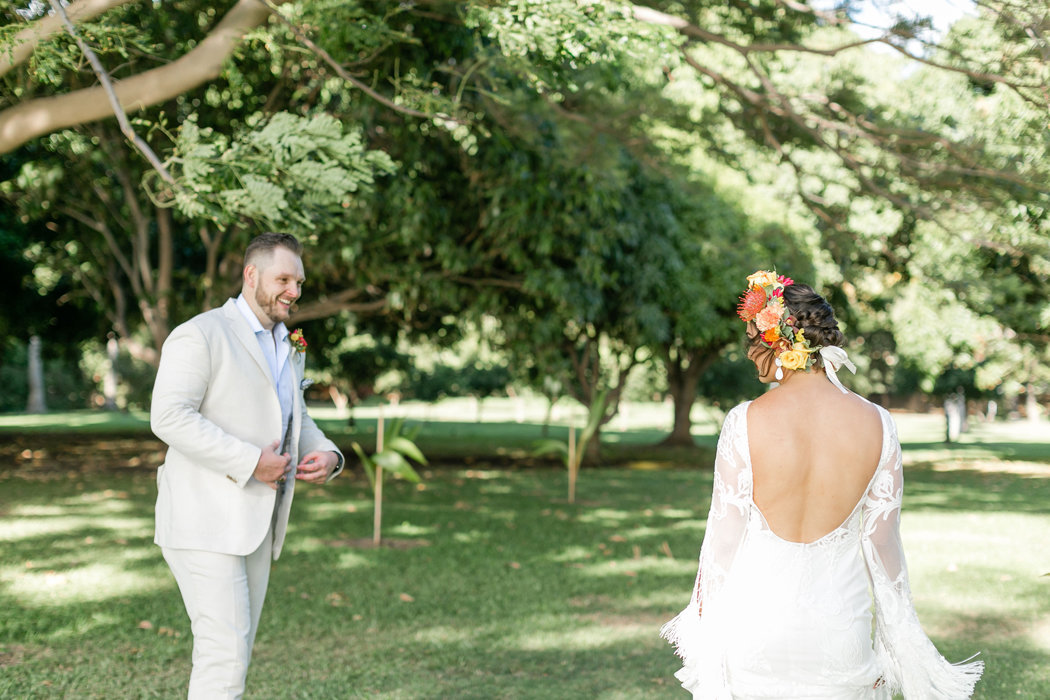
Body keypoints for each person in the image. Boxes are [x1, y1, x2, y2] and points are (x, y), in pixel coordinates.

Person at [660, 270, 983, 699]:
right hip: (839, 639)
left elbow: (723, 541)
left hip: (755, 634)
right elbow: (883, 544)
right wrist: (902, 639)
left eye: (752, 341)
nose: (749, 353)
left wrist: (702, 628)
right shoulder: (878, 424)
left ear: (774, 341)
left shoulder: (743, 422)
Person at [151, 232, 345, 698]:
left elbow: (297, 416)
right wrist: (250, 461)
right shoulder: (201, 334)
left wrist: (330, 455)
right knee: (225, 653)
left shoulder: (289, 343)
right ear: (251, 275)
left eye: (299, 281)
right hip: (204, 521)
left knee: (233, 650)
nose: (294, 292)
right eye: (284, 279)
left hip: (258, 523)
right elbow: (169, 416)